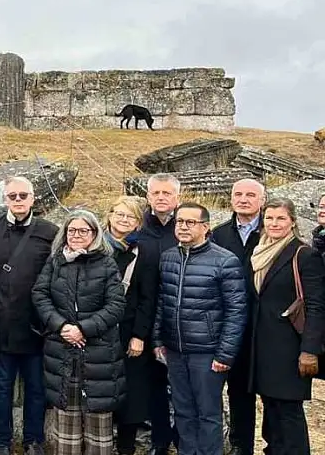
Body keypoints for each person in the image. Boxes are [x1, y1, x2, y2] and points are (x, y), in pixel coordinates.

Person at [152, 202, 247, 455]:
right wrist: (157, 340)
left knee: (208, 413)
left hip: (207, 352)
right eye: (179, 221)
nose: (183, 226)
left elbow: (236, 312)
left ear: (205, 227)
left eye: (190, 222)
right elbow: (162, 301)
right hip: (175, 349)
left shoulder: (225, 261)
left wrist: (224, 354)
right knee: (183, 411)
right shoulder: (169, 257)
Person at [0, 176, 57, 455]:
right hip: (1, 326)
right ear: (5, 199)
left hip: (37, 326)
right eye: (13, 196)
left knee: (36, 390)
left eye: (23, 195)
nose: (18, 200)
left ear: (33, 198)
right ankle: (1, 442)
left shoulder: (50, 231)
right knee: (1, 389)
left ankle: (33, 441)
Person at [33, 209, 126, 455]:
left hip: (98, 354)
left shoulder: (106, 263)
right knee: (66, 423)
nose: (76, 235)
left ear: (94, 234)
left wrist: (83, 329)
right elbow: (40, 295)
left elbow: (116, 305)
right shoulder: (55, 262)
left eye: (83, 230)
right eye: (71, 230)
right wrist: (62, 326)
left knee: (98, 424)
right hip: (62, 352)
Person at [244, 198, 323, 455]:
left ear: (292, 222)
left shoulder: (303, 254)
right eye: (269, 218)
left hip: (290, 349)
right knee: (271, 411)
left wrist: (309, 349)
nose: (274, 223)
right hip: (263, 348)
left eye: (280, 218)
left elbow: (316, 306)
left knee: (289, 414)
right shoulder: (259, 251)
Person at [210, 179, 265, 455]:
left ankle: (251, 445)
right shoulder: (219, 235)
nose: (244, 199)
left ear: (262, 200)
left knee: (251, 392)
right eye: (238, 194)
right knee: (222, 391)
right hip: (223, 325)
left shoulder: (272, 231)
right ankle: (227, 444)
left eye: (251, 195)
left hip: (260, 326)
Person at [102, 196, 159, 455]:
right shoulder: (95, 246)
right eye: (119, 214)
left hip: (128, 332)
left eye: (130, 216)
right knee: (99, 391)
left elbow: (148, 298)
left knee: (130, 394)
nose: (124, 220)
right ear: (110, 215)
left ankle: (126, 448)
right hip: (97, 331)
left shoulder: (145, 252)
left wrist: (139, 335)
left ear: (138, 222)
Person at [134, 173, 182, 455]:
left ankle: (182, 437)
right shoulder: (138, 229)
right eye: (156, 193)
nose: (161, 197)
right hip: (146, 318)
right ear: (148, 196)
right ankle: (159, 440)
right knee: (154, 386)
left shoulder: (186, 226)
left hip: (180, 318)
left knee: (182, 387)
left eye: (167, 193)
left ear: (177, 196)